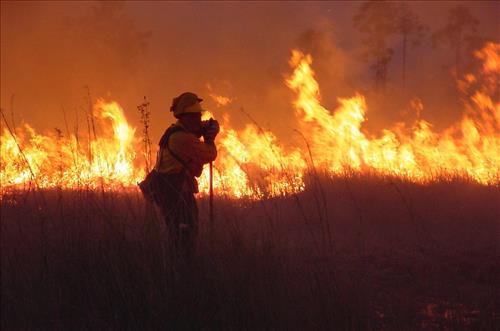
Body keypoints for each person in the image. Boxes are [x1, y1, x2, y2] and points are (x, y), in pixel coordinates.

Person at [153, 92, 219, 259]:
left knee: (177, 236)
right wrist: (210, 138)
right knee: (184, 239)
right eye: (196, 117)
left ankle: (178, 269)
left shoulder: (173, 132)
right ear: (186, 118)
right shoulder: (182, 139)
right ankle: (183, 272)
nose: (199, 120)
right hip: (178, 196)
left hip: (169, 193)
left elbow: (191, 136)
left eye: (200, 116)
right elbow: (209, 154)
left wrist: (202, 130)